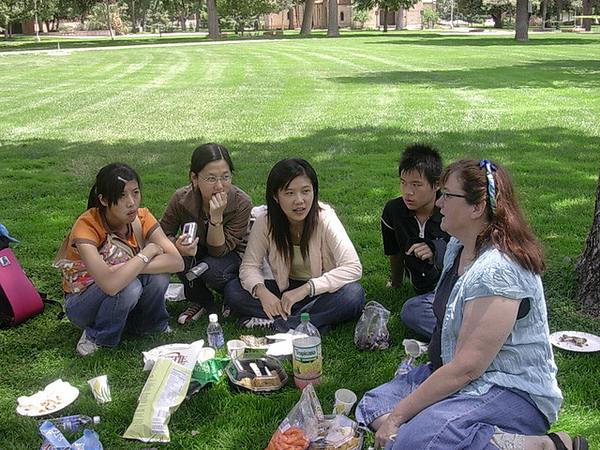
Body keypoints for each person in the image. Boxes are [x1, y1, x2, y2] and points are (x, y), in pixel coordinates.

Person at [356, 159, 588, 450]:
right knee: (373, 405)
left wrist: (399, 418)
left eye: (447, 195)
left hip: (508, 389)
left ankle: (542, 445)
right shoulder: (459, 246)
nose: (439, 203)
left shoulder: (499, 270)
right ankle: (477, 436)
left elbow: (468, 368)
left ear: (477, 208)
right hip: (458, 376)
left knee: (411, 438)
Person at [223, 158, 365, 334]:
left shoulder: (325, 218)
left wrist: (307, 289)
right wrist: (262, 293)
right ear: (276, 196)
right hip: (283, 290)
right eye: (289, 193)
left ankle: (280, 322)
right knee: (233, 291)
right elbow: (249, 266)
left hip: (319, 291)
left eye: (306, 191)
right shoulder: (266, 222)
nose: (299, 201)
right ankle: (310, 322)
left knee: (353, 294)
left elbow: (353, 267)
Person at [58, 163, 184, 356]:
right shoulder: (86, 226)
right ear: (104, 200)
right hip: (82, 303)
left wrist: (126, 267)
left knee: (158, 276)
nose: (132, 202)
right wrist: (146, 253)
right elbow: (109, 284)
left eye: (135, 192)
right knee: (129, 286)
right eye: (121, 196)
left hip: (120, 283)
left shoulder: (142, 217)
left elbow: (176, 262)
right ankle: (97, 336)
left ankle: (149, 326)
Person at [160, 143, 252, 324]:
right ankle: (199, 299)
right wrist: (175, 246)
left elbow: (219, 251)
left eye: (226, 177)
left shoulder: (241, 202)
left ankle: (230, 295)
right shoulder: (181, 199)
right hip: (197, 250)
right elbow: (162, 234)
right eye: (211, 179)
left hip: (231, 254)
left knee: (210, 268)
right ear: (194, 178)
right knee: (179, 258)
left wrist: (216, 216)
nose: (220, 186)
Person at [381, 144, 450, 340]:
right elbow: (394, 252)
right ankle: (460, 337)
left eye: (416, 185)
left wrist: (436, 250)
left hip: (453, 287)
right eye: (403, 183)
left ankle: (461, 340)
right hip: (425, 296)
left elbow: (469, 250)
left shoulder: (451, 209)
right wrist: (396, 282)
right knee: (412, 311)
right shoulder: (394, 211)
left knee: (414, 309)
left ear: (436, 185)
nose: (407, 192)